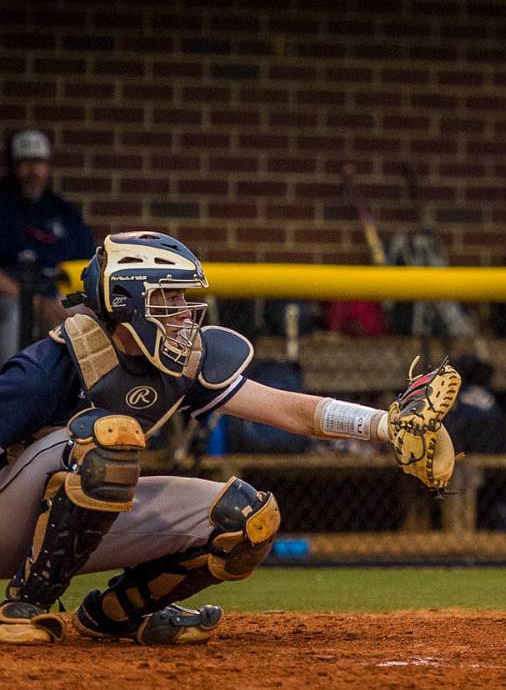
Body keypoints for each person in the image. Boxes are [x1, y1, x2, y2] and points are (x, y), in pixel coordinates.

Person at [0, 231, 457, 645]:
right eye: (168, 298)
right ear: (125, 301)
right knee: (107, 438)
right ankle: (21, 605)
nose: (183, 312)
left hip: (67, 522)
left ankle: (116, 615)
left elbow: (287, 409)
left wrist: (384, 425)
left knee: (246, 518)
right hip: (8, 518)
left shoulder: (181, 362)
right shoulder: (46, 368)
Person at [0, 130, 93, 361]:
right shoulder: (3, 206)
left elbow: (87, 265)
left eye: (39, 163)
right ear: (12, 167)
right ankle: (9, 389)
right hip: (14, 297)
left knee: (91, 315)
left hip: (59, 296)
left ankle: (84, 392)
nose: (33, 172)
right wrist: (36, 301)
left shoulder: (61, 210)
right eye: (25, 163)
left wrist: (72, 301)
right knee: (14, 314)